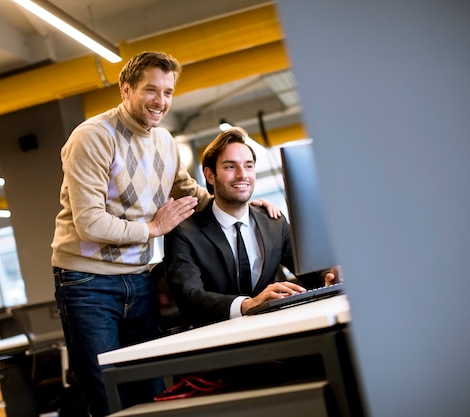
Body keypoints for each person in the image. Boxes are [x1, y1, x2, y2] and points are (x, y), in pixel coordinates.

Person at [51, 51, 280, 417]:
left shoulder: (164, 142)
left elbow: (192, 194)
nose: (161, 101)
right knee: (107, 395)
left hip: (138, 280)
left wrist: (243, 205)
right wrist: (153, 229)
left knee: (154, 390)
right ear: (126, 90)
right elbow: (89, 223)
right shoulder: (93, 137)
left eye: (168, 92)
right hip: (87, 282)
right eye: (151, 90)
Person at [164, 127, 340, 328]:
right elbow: (190, 296)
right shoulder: (184, 232)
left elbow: (309, 270)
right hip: (215, 338)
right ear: (210, 175)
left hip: (272, 329)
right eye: (230, 167)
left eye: (248, 166)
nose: (242, 175)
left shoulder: (273, 222)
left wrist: (329, 275)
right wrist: (247, 305)